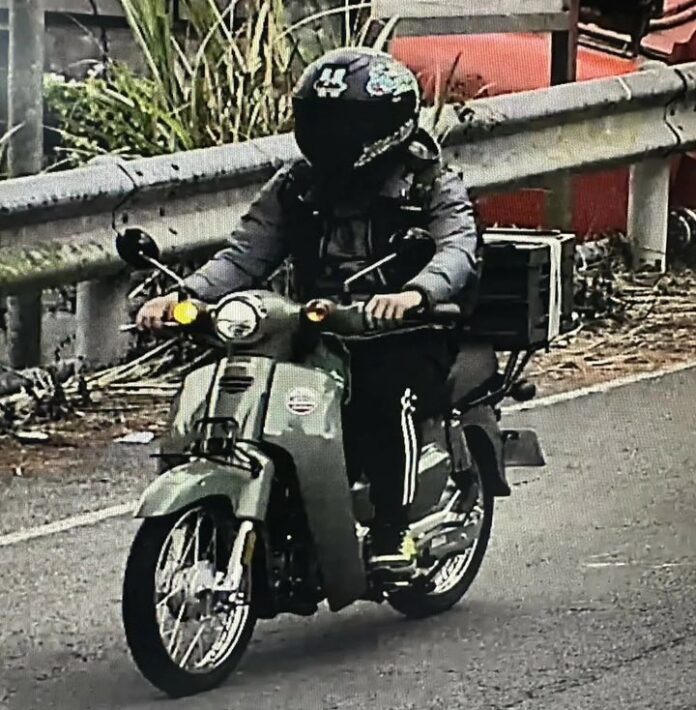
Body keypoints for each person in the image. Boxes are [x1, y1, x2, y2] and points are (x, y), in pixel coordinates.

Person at [137, 47, 486, 568]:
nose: (328, 132)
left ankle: (392, 529)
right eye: (319, 118)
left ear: (384, 125)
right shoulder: (297, 184)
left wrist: (416, 294)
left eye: (343, 121)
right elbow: (245, 254)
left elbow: (457, 249)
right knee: (238, 383)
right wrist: (184, 297)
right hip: (315, 324)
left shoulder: (430, 183)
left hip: (408, 328)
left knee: (384, 397)